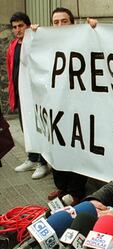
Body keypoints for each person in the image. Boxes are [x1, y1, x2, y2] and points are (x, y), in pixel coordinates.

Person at [45, 7, 96, 204]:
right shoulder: (46, 44)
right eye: (55, 22)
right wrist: (35, 34)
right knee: (58, 146)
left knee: (77, 147)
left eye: (64, 21)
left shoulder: (82, 40)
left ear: (72, 23)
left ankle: (75, 191)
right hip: (56, 107)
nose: (59, 25)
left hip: (78, 107)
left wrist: (92, 29)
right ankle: (62, 187)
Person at [7, 11, 49, 179]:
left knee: (38, 128)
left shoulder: (36, 42)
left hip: (35, 96)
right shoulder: (13, 46)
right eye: (14, 27)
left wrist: (37, 33)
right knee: (26, 127)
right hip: (20, 93)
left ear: (27, 26)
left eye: (21, 26)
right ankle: (32, 158)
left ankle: (42, 162)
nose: (17, 30)